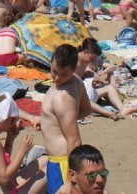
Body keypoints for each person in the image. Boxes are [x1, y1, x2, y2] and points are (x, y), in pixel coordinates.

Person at [0, 92, 48, 194]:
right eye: (13, 120)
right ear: (4, 118)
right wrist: (22, 151)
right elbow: (4, 178)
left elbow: (1, 165)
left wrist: (10, 139)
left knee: (45, 159)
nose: (14, 123)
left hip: (5, 188)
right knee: (50, 170)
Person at [41, 44, 92, 194]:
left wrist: (71, 180)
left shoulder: (62, 98)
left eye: (64, 74)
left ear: (74, 68)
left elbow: (74, 141)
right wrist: (58, 122)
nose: (57, 78)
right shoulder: (76, 81)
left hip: (62, 162)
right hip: (59, 160)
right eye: (54, 71)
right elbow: (86, 109)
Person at [74, 39, 137, 121]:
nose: (92, 60)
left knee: (109, 88)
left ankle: (123, 109)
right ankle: (107, 113)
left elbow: (95, 72)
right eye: (92, 58)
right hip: (76, 95)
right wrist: (100, 80)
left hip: (86, 91)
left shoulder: (87, 60)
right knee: (83, 98)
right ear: (85, 52)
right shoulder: (74, 61)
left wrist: (101, 78)